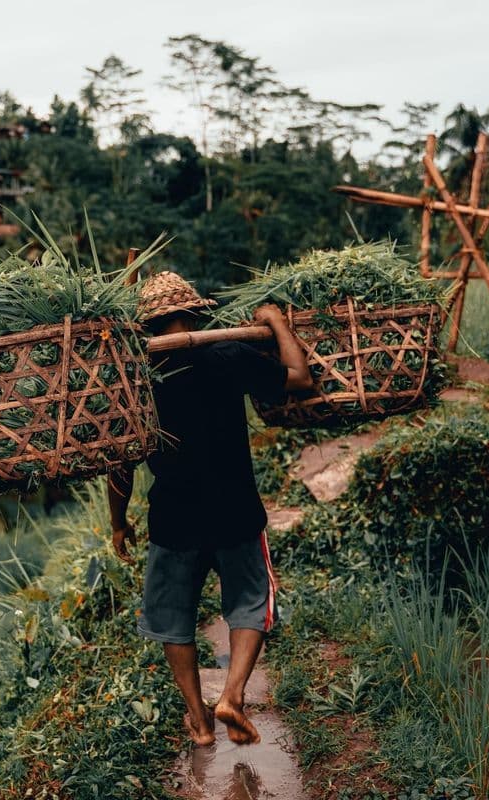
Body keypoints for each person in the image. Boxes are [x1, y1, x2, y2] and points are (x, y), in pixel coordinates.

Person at [107, 271, 312, 747]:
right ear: (194, 314)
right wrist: (276, 321)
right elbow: (300, 378)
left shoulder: (137, 376)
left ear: (146, 326)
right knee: (250, 602)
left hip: (173, 517)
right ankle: (232, 697)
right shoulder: (229, 355)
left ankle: (199, 721)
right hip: (235, 509)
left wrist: (118, 523)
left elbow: (119, 462)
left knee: (172, 619)